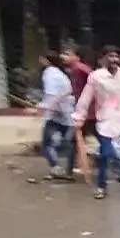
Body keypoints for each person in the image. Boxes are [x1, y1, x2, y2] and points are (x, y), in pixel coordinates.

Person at [73, 46, 120, 200]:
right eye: (110, 56)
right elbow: (85, 98)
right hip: (105, 120)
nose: (114, 60)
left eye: (116, 56)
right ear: (104, 59)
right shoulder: (96, 77)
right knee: (105, 155)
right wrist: (79, 116)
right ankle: (101, 187)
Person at [35, 51, 76, 180]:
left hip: (55, 114)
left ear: (46, 61)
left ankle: (57, 168)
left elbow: (51, 95)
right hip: (67, 112)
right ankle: (69, 170)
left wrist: (45, 107)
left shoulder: (49, 73)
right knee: (68, 143)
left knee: (46, 143)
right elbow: (68, 90)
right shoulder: (60, 74)